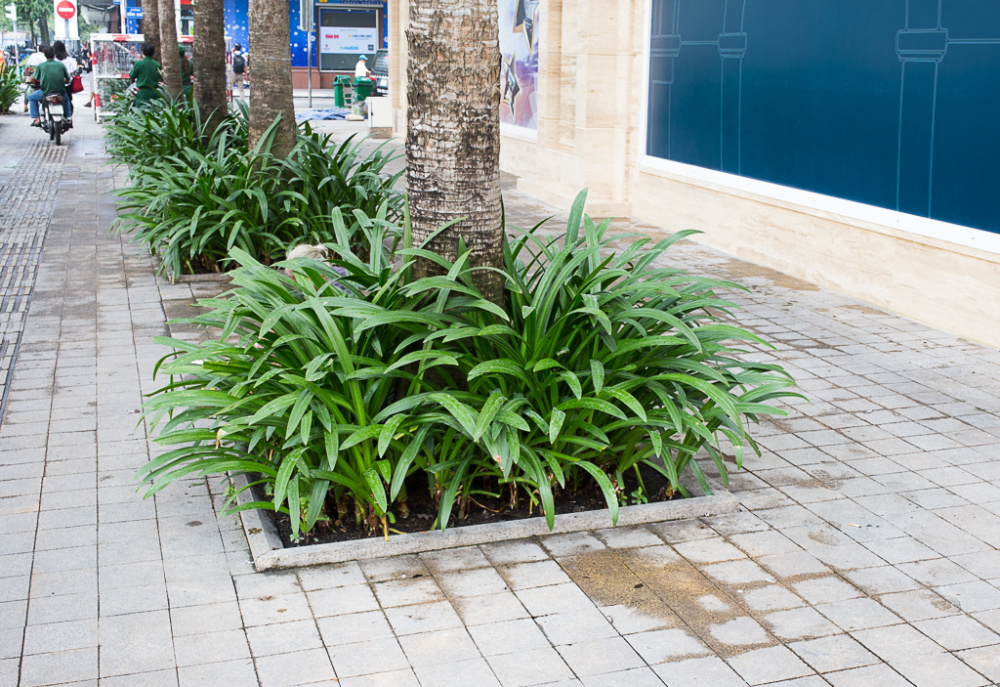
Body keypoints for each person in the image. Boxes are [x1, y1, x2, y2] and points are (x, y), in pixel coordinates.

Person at [27, 46, 70, 127]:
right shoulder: (61, 65)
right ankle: (68, 117)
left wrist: (29, 80)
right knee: (67, 100)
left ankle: (37, 119)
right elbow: (68, 78)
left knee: (31, 97)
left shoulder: (41, 66)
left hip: (45, 92)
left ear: (45, 55)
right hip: (60, 91)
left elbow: (33, 78)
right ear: (54, 54)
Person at [128, 42, 162, 107]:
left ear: (142, 52)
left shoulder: (138, 64)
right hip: (155, 92)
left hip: (143, 93)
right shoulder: (157, 65)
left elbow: (132, 75)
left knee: (141, 111)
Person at [52, 41, 77, 122]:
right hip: (67, 84)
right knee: (67, 99)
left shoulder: (53, 60)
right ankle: (68, 117)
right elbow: (74, 71)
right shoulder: (69, 59)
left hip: (55, 84)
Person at [22, 45, 47, 112]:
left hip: (35, 80)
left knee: (28, 89)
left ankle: (25, 104)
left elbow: (27, 67)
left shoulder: (33, 56)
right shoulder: (48, 57)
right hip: (45, 80)